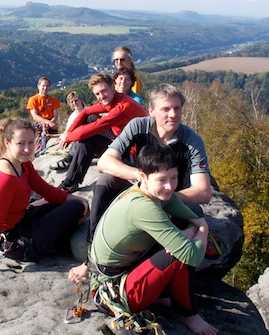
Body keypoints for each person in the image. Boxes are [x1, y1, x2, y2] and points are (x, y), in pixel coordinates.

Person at [68, 83, 214, 281]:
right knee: (105, 182)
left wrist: (165, 197)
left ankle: (164, 280)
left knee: (194, 213)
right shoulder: (139, 126)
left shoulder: (191, 141)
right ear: (151, 111)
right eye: (166, 109)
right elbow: (105, 162)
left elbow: (203, 192)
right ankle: (92, 259)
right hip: (141, 191)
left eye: (177, 108)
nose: (173, 114)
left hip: (171, 196)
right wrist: (140, 177)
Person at [78, 142, 218, 335]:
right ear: (143, 176)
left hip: (120, 273)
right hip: (114, 294)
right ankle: (187, 314)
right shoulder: (143, 207)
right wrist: (202, 228)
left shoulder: (150, 192)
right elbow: (190, 255)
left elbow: (183, 210)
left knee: (180, 238)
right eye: (162, 179)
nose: (170, 186)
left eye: (174, 177)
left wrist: (195, 226)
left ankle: (163, 299)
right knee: (178, 254)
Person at [0, 118, 89, 284]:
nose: (27, 149)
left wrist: (76, 198)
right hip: (17, 242)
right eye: (21, 143)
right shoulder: (3, 179)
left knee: (73, 204)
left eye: (31, 142)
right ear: (7, 143)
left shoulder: (23, 164)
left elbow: (47, 191)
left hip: (21, 221)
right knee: (74, 209)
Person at [57, 73, 148, 192]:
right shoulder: (115, 98)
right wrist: (67, 132)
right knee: (91, 117)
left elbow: (96, 127)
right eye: (97, 94)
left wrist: (68, 138)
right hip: (122, 140)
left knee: (87, 139)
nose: (101, 96)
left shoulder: (122, 107)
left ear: (112, 86)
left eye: (103, 91)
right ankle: (72, 162)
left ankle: (69, 184)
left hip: (134, 155)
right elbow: (86, 112)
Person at [49, 92, 86, 172]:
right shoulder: (72, 117)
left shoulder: (89, 111)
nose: (74, 103)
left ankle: (68, 161)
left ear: (81, 100)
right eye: (72, 102)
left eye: (76, 100)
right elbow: (67, 132)